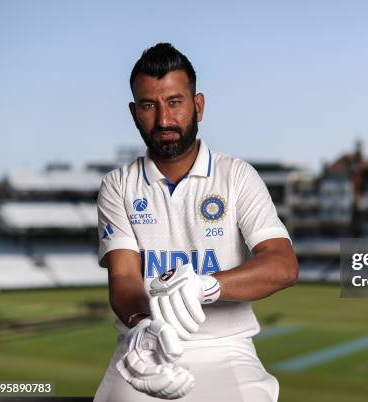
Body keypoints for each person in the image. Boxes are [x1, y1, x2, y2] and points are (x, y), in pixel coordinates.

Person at [93, 43, 298, 402]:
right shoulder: (118, 184)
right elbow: (124, 277)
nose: (163, 120)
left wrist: (206, 286)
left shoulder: (236, 175)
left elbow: (282, 265)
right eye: (148, 105)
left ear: (198, 105)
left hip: (226, 347)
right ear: (133, 112)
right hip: (144, 348)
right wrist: (142, 327)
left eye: (174, 102)